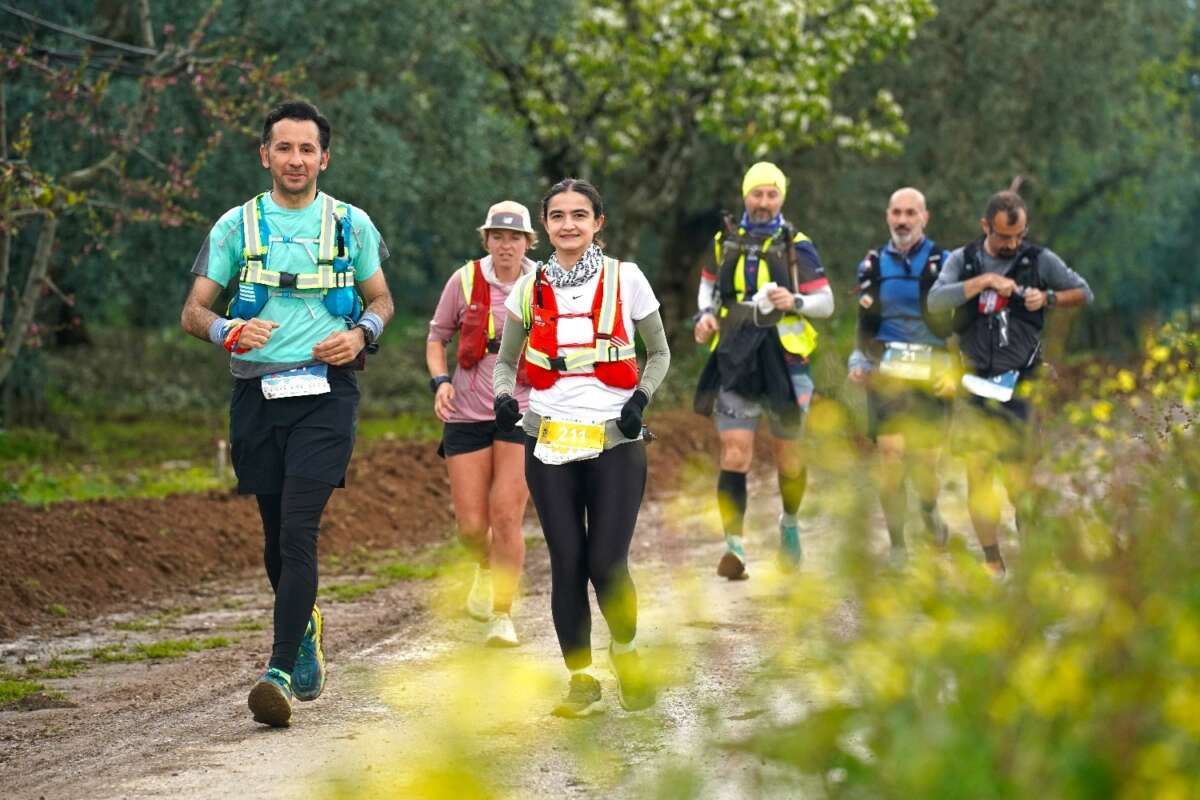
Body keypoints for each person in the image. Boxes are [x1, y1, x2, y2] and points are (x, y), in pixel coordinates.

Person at [180, 101, 393, 727]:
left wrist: (362, 335)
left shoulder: (351, 225)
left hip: (328, 392)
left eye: (307, 150)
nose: (295, 159)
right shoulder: (234, 228)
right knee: (275, 537)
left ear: (324, 158)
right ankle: (305, 628)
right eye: (284, 148)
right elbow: (193, 310)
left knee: (300, 527)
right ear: (264, 154)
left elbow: (382, 299)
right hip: (256, 393)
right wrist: (226, 330)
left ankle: (275, 670)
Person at [493, 178, 671, 717]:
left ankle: (627, 651)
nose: (567, 225)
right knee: (567, 561)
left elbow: (659, 353)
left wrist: (639, 399)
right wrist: (505, 397)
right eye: (557, 216)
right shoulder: (528, 288)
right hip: (549, 439)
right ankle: (582, 680)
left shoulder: (627, 278)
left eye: (579, 215)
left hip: (615, 438)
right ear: (544, 226)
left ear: (598, 223)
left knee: (607, 562)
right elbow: (506, 363)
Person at [927, 190, 1092, 577]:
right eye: (1004, 236)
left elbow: (1083, 292)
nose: (1012, 244)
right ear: (986, 227)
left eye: (1018, 235)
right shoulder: (962, 260)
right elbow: (935, 301)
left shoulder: (1039, 260)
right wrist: (981, 281)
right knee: (979, 477)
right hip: (974, 382)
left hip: (1021, 383)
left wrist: (1047, 298)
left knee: (1023, 481)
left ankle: (1033, 564)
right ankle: (992, 564)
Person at [693, 161, 834, 580]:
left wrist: (796, 301)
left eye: (772, 194)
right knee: (734, 453)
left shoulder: (797, 245)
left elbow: (826, 303)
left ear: (782, 198)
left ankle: (789, 524)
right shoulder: (725, 241)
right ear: (745, 196)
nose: (764, 202)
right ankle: (733, 549)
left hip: (788, 363)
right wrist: (704, 315)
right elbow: (706, 285)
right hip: (736, 359)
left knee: (789, 457)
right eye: (757, 193)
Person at [426, 201, 535, 647]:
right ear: (486, 239)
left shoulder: (543, 283)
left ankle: (502, 614)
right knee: (472, 527)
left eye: (515, 237)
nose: (506, 245)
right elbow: (437, 337)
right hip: (466, 412)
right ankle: (485, 568)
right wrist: (439, 382)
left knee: (506, 515)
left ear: (528, 242)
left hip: (524, 409)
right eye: (498, 236)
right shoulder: (465, 279)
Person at [848, 188, 954, 566]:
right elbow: (865, 321)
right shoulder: (873, 264)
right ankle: (897, 547)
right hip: (887, 371)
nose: (903, 220)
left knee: (926, 464)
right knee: (890, 457)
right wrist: (858, 360)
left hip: (932, 371)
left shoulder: (946, 262)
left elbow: (963, 322)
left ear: (924, 217)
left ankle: (929, 511)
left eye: (911, 213)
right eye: (896, 212)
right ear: (887, 216)